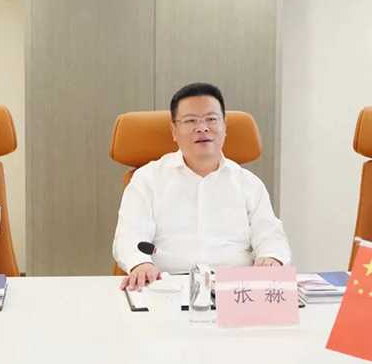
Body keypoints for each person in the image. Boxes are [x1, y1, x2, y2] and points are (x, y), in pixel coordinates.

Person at [113, 83, 291, 291]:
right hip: (165, 286)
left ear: (224, 126)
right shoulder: (147, 178)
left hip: (235, 290)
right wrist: (140, 263)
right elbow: (130, 234)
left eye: (211, 119)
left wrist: (272, 257)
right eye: (190, 121)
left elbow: (270, 235)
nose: (202, 128)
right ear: (174, 131)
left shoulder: (249, 183)